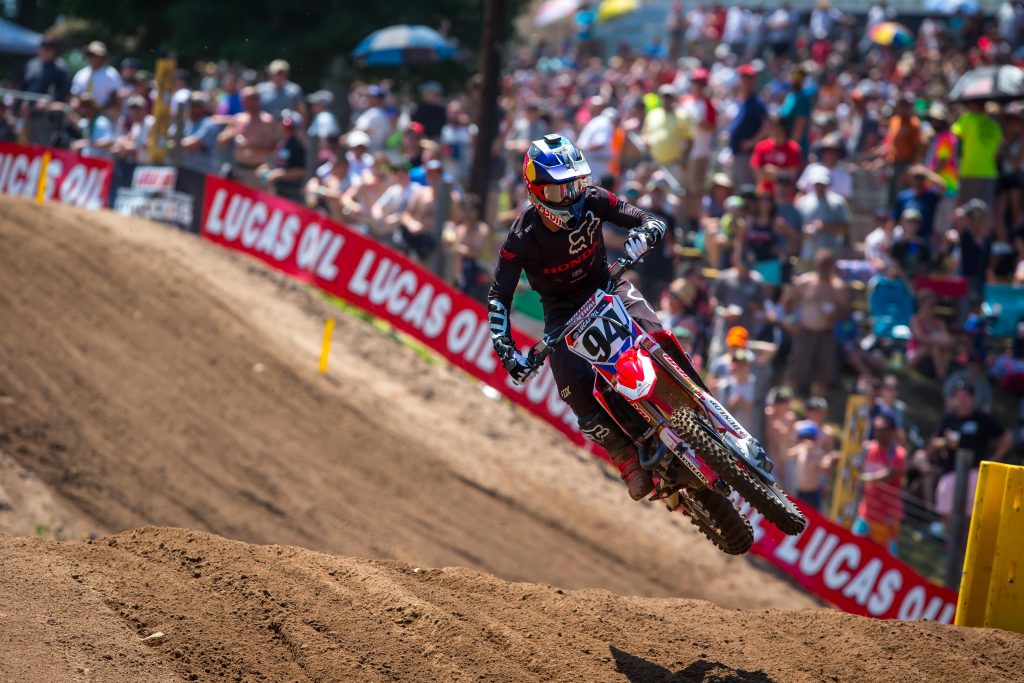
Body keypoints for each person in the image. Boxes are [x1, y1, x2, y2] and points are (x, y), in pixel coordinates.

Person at [488, 134, 672, 502]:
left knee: (655, 335)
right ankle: (626, 459)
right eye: (560, 190)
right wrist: (506, 350)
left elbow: (644, 218)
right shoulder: (522, 237)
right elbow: (498, 297)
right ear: (537, 193)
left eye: (575, 184)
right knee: (572, 388)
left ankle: (698, 400)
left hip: (607, 285)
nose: (571, 196)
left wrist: (647, 232)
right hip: (562, 315)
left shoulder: (594, 198)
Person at [782, 249, 848, 397]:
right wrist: (792, 321)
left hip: (826, 333)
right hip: (805, 331)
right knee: (798, 366)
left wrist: (835, 314)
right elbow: (787, 303)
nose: (823, 269)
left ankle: (818, 401)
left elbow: (845, 313)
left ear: (832, 266)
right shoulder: (805, 282)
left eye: (826, 265)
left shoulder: (837, 287)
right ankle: (791, 399)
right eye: (821, 265)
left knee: (824, 369)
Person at [853, 412, 906, 556]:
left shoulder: (898, 454)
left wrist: (866, 478)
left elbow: (891, 474)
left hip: (887, 518)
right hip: (867, 513)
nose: (878, 433)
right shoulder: (869, 449)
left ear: (892, 432)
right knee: (855, 547)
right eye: (876, 429)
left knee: (886, 558)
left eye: (883, 429)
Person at [70, 41, 122, 107]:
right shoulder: (81, 74)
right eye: (90, 55)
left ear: (102, 57)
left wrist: (101, 109)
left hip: (105, 111)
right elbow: (75, 96)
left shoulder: (111, 74)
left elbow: (116, 97)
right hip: (83, 111)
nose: (92, 58)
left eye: (95, 55)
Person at [22, 36, 71, 102]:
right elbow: (22, 86)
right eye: (42, 49)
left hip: (48, 105)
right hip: (27, 104)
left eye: (47, 50)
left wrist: (50, 102)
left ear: (54, 51)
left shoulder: (60, 67)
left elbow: (64, 91)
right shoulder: (31, 64)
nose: (44, 52)